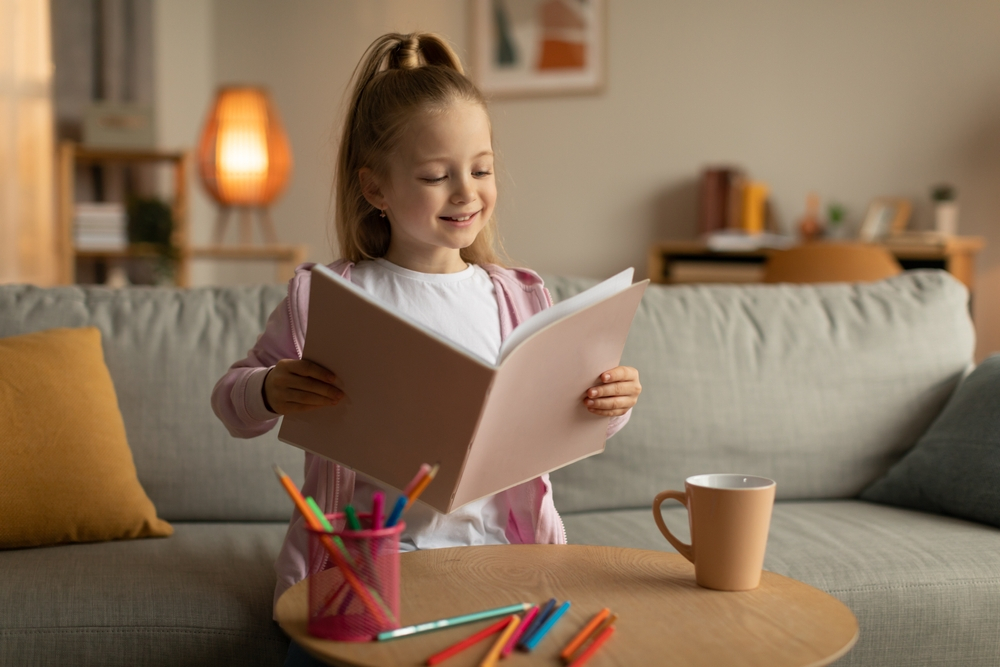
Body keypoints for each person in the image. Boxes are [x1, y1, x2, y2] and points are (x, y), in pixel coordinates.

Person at [210, 32, 642, 666]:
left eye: (482, 168)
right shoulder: (330, 297)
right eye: (437, 176)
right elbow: (231, 404)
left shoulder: (519, 296)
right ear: (376, 188)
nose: (466, 191)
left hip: (502, 563)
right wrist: (270, 388)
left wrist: (612, 401)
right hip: (365, 572)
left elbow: (567, 416)